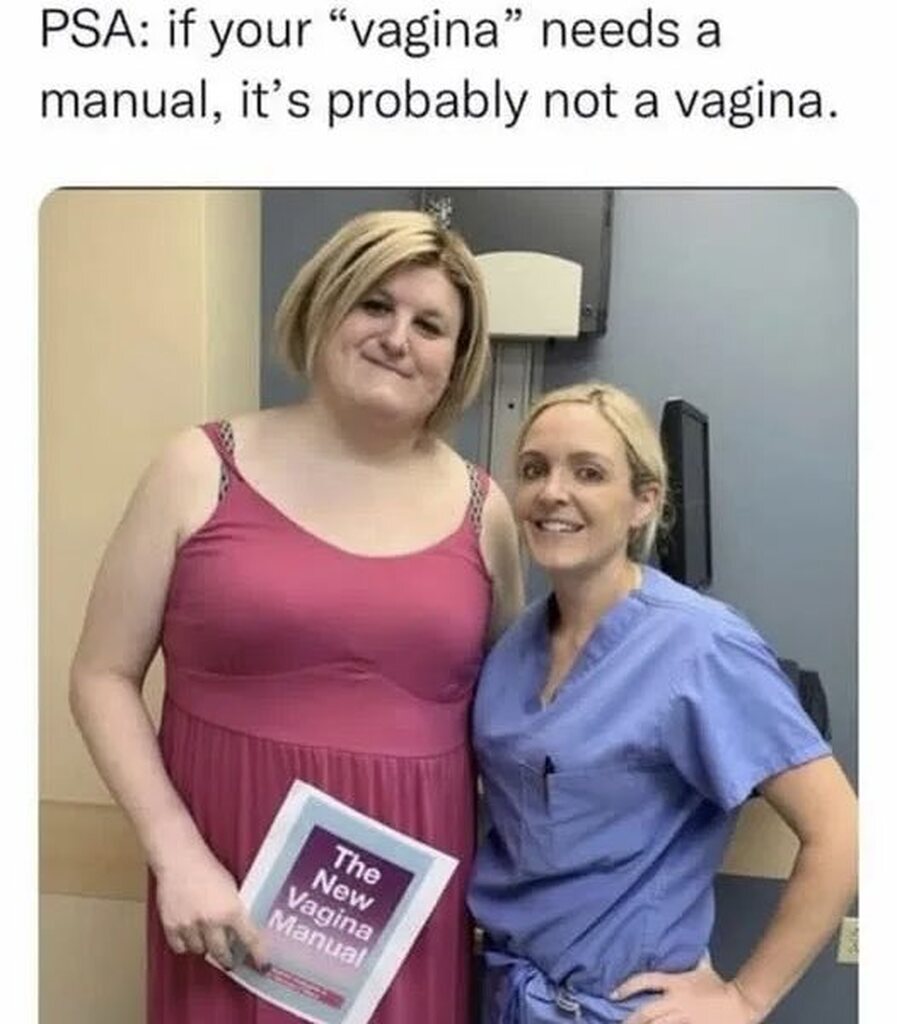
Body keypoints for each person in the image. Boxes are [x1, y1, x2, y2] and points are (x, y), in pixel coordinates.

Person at [69, 209, 524, 1024]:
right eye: (374, 304)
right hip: (224, 888)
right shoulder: (197, 467)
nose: (397, 338)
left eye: (430, 325)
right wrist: (175, 852)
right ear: (324, 303)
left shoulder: (484, 511)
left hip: (406, 914)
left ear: (457, 360)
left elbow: (515, 722)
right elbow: (100, 676)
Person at [469, 382, 858, 1024]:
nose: (552, 492)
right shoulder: (515, 645)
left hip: (618, 1008)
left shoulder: (699, 645)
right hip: (508, 994)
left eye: (588, 473)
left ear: (643, 501)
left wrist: (745, 999)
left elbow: (841, 830)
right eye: (535, 469)